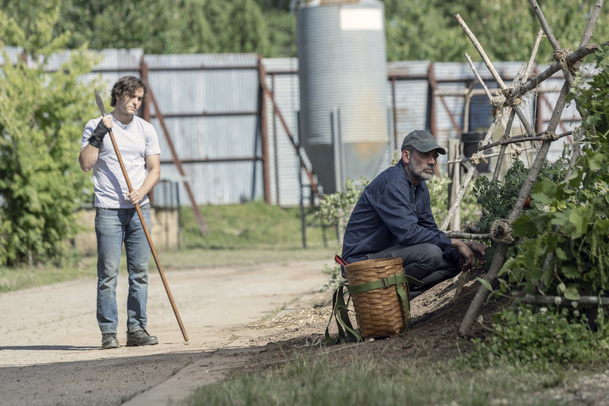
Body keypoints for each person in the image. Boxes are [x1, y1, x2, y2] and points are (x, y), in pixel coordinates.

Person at [341, 130, 486, 298]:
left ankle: (397, 299)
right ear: (406, 156)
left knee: (455, 258)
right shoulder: (393, 183)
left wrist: (467, 246)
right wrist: (456, 242)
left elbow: (430, 230)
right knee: (430, 254)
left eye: (434, 156)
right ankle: (384, 296)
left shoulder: (420, 187)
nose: (432, 161)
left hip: (389, 256)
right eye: (425, 155)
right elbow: (408, 234)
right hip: (360, 262)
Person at [79, 76, 161, 349]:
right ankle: (108, 333)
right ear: (118, 96)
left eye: (139, 98)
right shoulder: (95, 125)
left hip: (139, 210)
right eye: (131, 97)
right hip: (109, 211)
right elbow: (85, 164)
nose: (136, 102)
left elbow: (155, 170)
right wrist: (99, 134)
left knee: (139, 273)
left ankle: (137, 329)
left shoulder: (146, 129)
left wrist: (141, 191)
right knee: (108, 274)